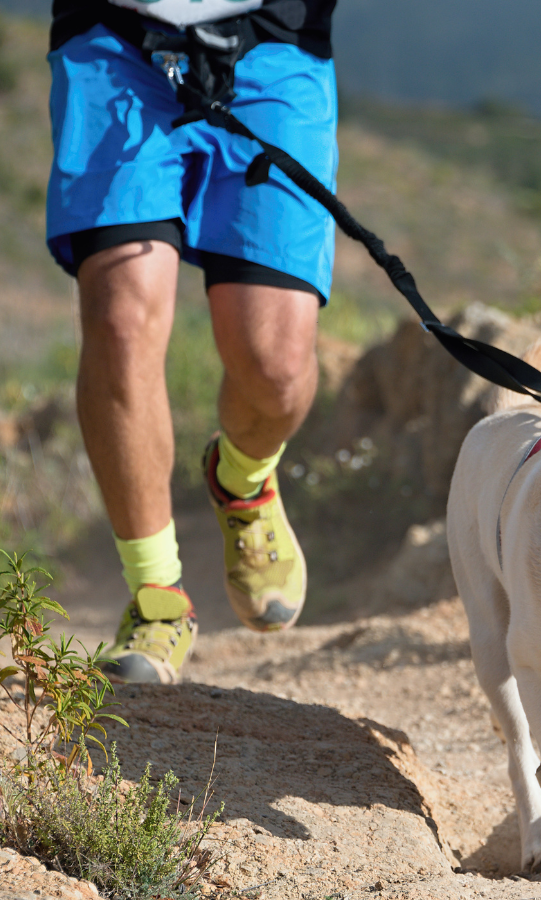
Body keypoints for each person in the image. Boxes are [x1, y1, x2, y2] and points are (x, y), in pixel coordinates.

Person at [46, 0, 338, 683]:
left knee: (277, 368)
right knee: (120, 316)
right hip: (112, 40)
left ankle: (242, 482)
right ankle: (157, 598)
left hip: (276, 42)